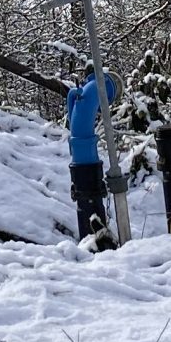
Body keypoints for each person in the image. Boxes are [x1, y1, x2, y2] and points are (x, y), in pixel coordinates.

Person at [64, 66, 120, 246]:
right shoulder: (87, 93)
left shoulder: (83, 94)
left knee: (87, 203)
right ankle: (96, 242)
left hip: (83, 162)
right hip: (85, 165)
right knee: (89, 203)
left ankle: (93, 241)